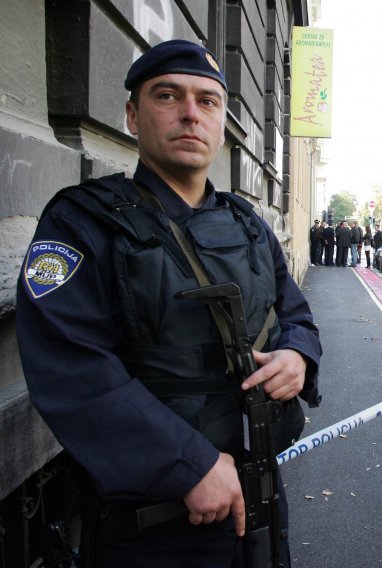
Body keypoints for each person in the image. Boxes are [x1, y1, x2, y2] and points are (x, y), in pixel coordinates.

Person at [16, 39, 322, 567]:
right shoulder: (81, 223)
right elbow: (72, 368)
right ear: (133, 116)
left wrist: (297, 357)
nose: (190, 114)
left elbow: (294, 315)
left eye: (207, 101)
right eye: (167, 96)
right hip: (154, 524)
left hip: (258, 497)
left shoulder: (249, 224)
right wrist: (189, 464)